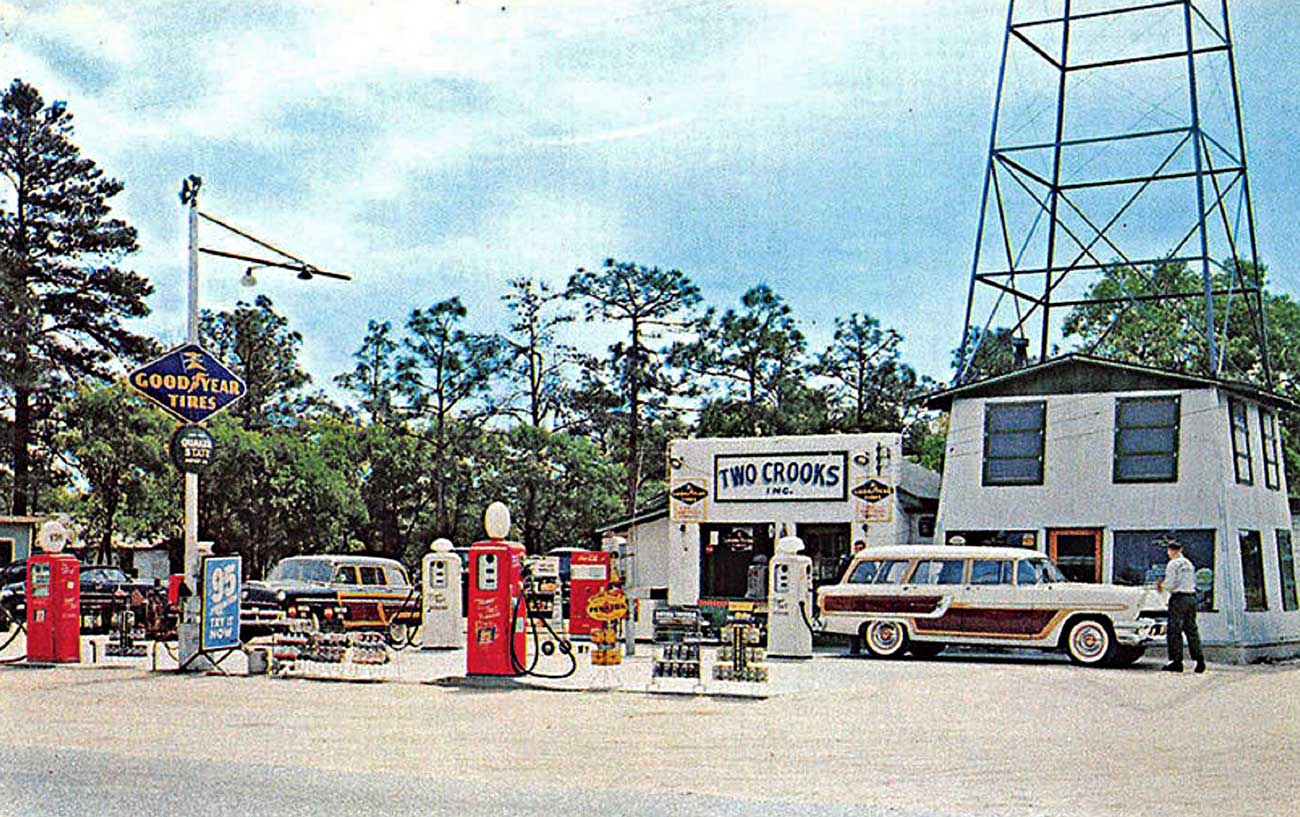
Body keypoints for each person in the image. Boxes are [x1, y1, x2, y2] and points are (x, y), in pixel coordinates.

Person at [1156, 538, 1206, 673]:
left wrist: (1161, 586)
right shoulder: (1189, 564)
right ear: (1181, 550)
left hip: (1178, 598)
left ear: (1170, 551)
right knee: (1191, 630)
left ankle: (1176, 662)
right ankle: (1199, 660)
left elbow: (1171, 584)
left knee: (1174, 630)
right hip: (1191, 597)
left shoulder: (1173, 564)